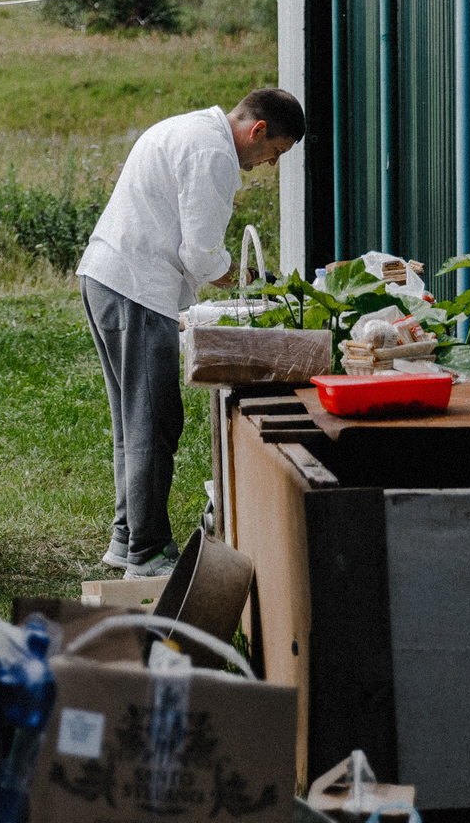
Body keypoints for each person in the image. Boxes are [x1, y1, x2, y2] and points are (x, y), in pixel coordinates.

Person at [76, 87, 304, 576]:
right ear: (257, 130)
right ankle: (148, 552)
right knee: (155, 423)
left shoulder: (189, 128)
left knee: (133, 422)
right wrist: (251, 281)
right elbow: (199, 255)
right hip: (136, 287)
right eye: (274, 153)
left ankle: (126, 537)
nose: (269, 165)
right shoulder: (213, 153)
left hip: (110, 277)